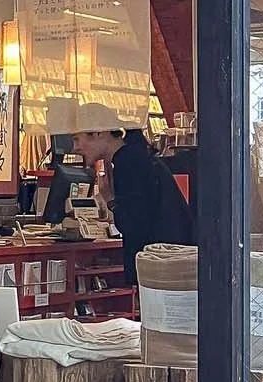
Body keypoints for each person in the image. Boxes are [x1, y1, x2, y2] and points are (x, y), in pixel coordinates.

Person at [70, 101, 194, 284]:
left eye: (77, 139)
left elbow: (134, 225)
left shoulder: (129, 165)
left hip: (161, 269)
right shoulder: (135, 158)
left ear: (98, 132)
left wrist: (111, 200)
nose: (75, 148)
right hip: (170, 263)